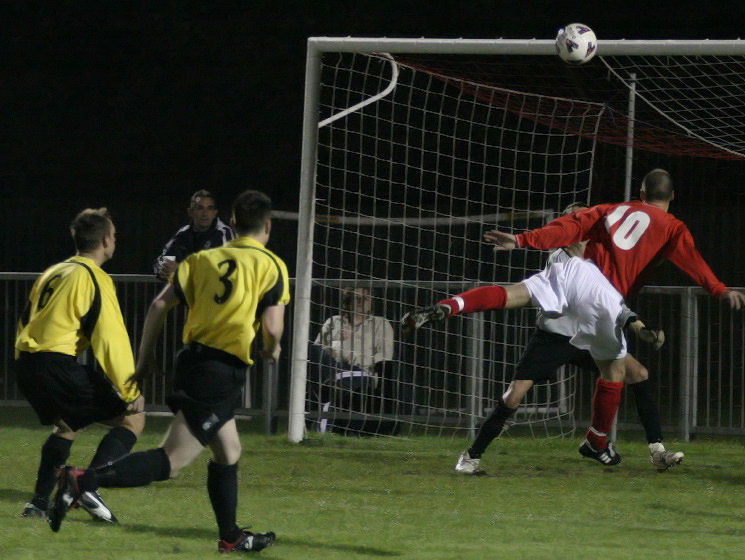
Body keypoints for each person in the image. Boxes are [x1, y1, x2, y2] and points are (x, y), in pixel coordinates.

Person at [403, 169, 745, 465]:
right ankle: (594, 442)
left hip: (578, 317)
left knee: (632, 371)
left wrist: (522, 240)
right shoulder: (643, 236)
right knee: (593, 374)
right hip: (573, 324)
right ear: (672, 196)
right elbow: (684, 266)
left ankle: (646, 448)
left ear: (640, 194)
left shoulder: (605, 217)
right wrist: (716, 290)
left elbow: (563, 237)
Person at [48, 190, 289, 554]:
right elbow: (272, 329)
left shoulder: (200, 260)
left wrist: (143, 362)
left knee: (229, 451)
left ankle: (231, 536)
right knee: (172, 460)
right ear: (267, 225)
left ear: (234, 224)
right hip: (218, 372)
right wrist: (272, 350)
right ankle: (81, 481)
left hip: (191, 361)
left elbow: (160, 305)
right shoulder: (272, 266)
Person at [451, 203, 683, 474]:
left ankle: (655, 451)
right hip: (554, 337)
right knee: (514, 396)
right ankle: (470, 457)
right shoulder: (562, 260)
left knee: (638, 374)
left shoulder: (597, 257)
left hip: (587, 337)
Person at [15, 208, 145, 524]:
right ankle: (87, 485)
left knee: (67, 426)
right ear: (104, 241)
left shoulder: (55, 271)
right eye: (113, 235)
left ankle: (38, 503)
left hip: (26, 362)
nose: (115, 240)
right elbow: (110, 338)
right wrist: (130, 388)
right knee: (134, 419)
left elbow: (25, 319)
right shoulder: (93, 277)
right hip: (57, 363)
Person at [308, 286, 395, 433]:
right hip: (330, 370)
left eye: (366, 298)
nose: (361, 301)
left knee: (336, 381)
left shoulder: (381, 324)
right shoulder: (333, 322)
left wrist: (346, 346)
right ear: (348, 300)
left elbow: (383, 359)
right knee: (315, 353)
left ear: (372, 302)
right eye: (356, 297)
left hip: (362, 374)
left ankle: (322, 424)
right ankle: (329, 388)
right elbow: (319, 353)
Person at [153, 189, 234, 280]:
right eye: (200, 208)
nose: (205, 214)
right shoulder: (183, 233)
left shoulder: (223, 233)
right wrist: (162, 268)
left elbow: (224, 270)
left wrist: (181, 270)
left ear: (215, 213)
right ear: (190, 212)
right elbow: (162, 259)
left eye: (209, 208)